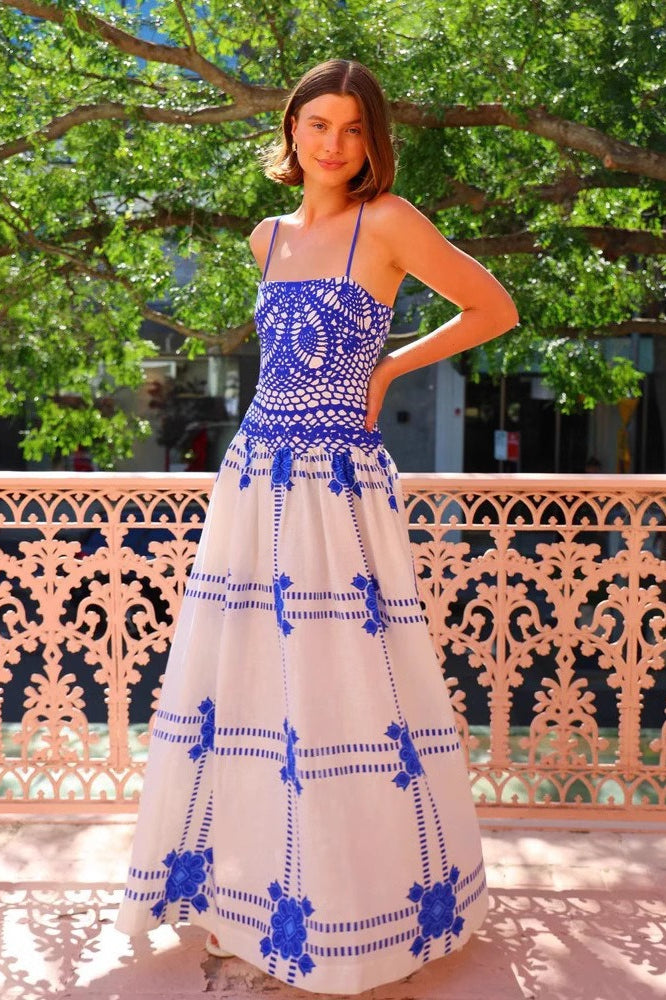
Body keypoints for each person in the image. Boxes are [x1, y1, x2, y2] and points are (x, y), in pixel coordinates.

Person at [115, 59, 518, 994]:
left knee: (347, 695)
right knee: (249, 689)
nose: (334, 144)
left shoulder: (390, 221)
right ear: (292, 130)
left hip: (337, 489)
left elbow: (493, 308)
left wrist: (390, 368)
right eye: (318, 124)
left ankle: (351, 915)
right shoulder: (266, 237)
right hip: (255, 479)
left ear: (373, 141)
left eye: (353, 128)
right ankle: (245, 900)